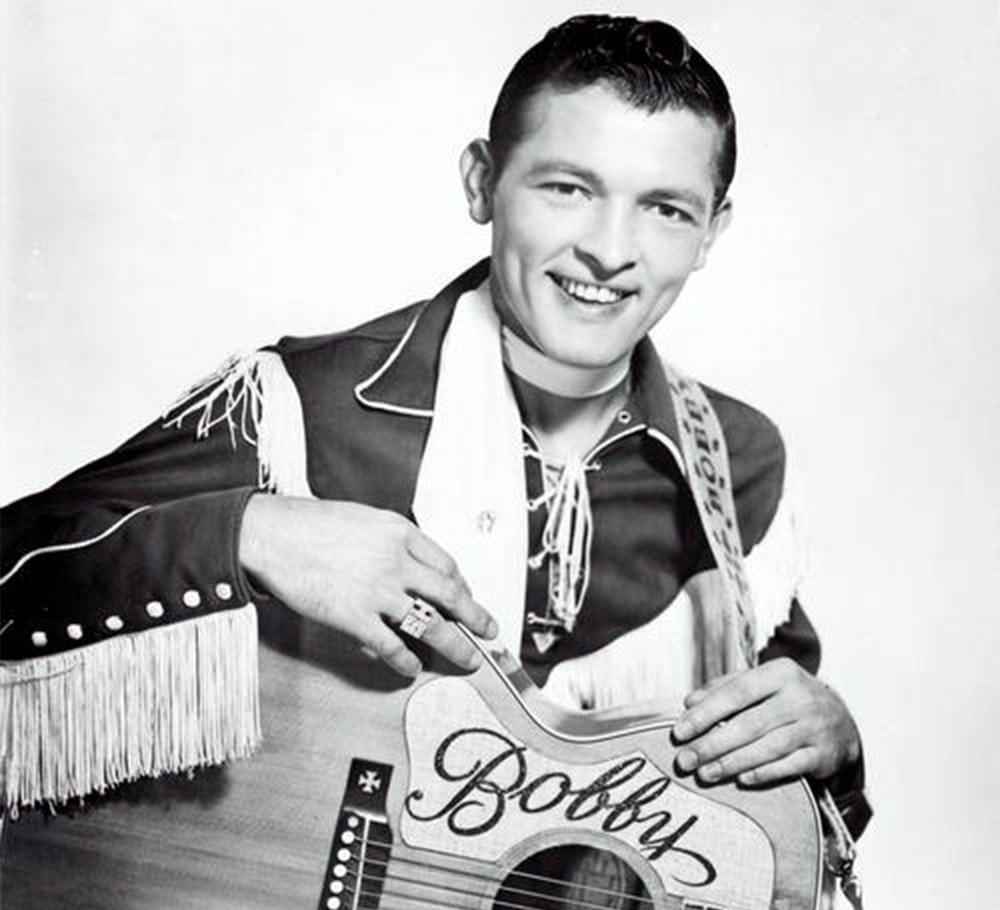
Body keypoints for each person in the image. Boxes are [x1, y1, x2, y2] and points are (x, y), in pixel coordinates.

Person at [1, 15, 868, 841]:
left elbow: (775, 843)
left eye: (666, 209)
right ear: (482, 183)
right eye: (568, 189)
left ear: (712, 231)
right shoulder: (306, 409)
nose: (611, 250)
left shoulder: (738, 464)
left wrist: (835, 751)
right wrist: (253, 534)